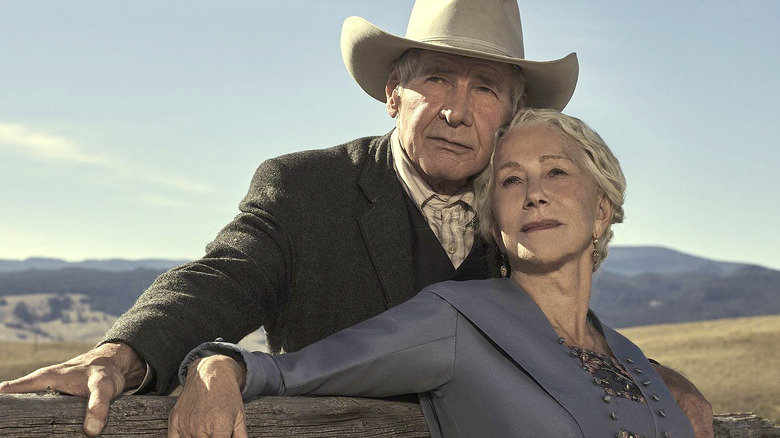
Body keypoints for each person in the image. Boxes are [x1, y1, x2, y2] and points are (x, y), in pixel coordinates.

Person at [0, 1, 712, 437]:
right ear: (393, 93)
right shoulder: (309, 188)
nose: (457, 109)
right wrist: (122, 354)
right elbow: (222, 279)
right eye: (436, 77)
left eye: (484, 87)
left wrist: (651, 380)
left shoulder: (524, 215)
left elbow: (557, 333)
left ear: (511, 112)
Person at [169, 108, 695, 438]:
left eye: (556, 171)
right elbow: (295, 371)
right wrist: (218, 365)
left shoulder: (628, 356)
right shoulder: (456, 320)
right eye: (511, 181)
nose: (534, 192)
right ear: (496, 218)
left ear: (602, 209)